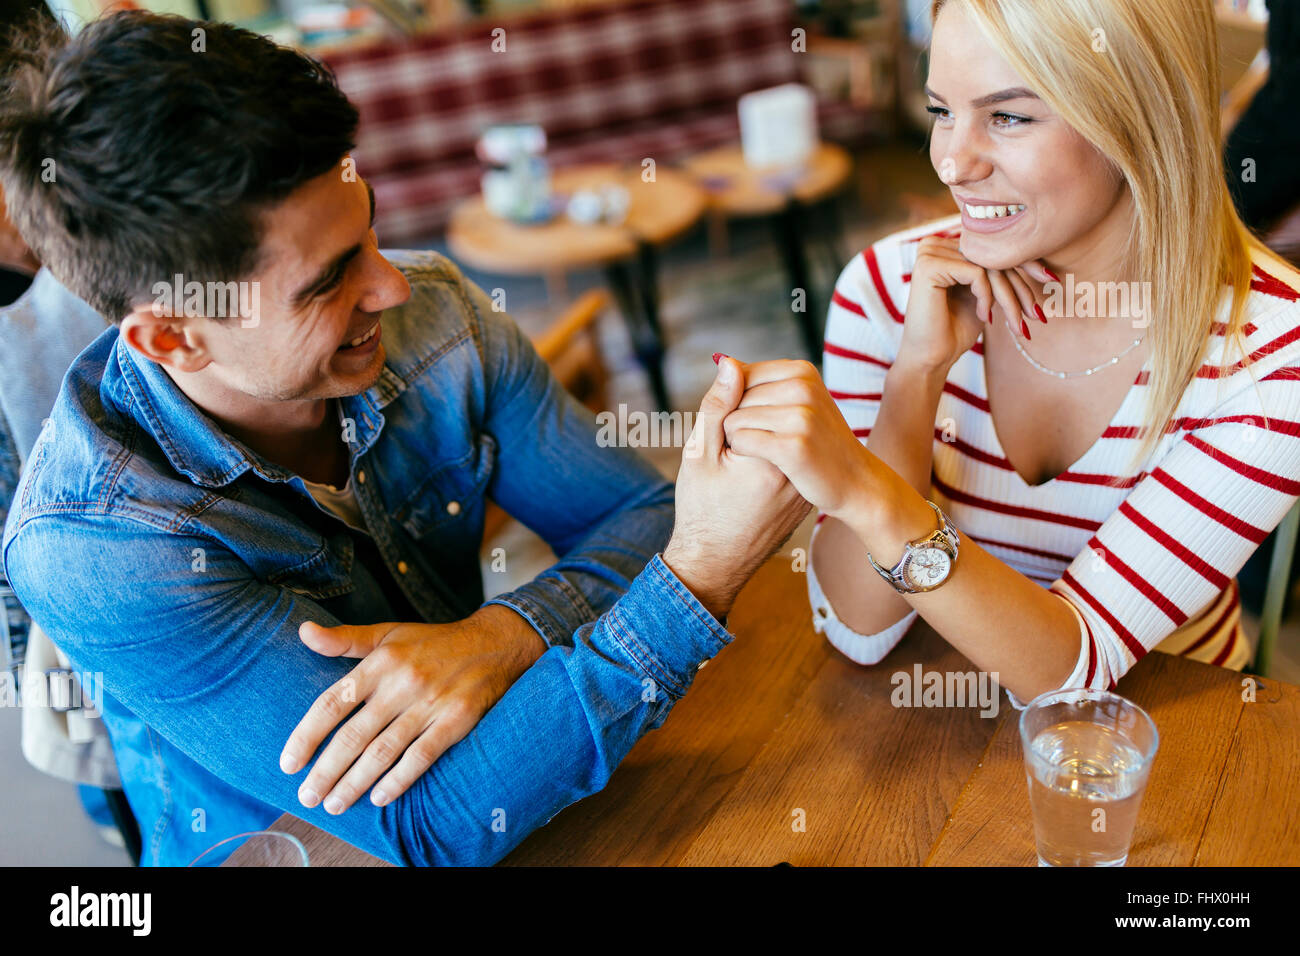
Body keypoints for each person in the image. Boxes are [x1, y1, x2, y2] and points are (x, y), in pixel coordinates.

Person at [0, 11, 808, 865]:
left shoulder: (439, 318)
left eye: (368, 225)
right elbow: (433, 822)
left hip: (544, 792)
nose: (391, 285)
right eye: (328, 281)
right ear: (173, 339)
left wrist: (503, 635)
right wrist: (699, 579)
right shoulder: (91, 544)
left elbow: (641, 512)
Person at [719, 0, 1300, 704]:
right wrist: (916, 374)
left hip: (1175, 729)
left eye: (1009, 116)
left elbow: (1070, 672)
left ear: (1140, 120)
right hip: (938, 715)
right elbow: (858, 628)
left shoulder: (1273, 353)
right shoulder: (885, 287)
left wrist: (864, 488)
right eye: (941, 112)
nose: (950, 162)